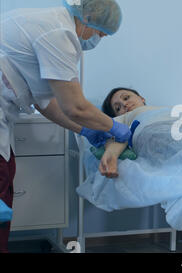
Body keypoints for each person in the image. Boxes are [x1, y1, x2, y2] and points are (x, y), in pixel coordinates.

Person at [0, 0, 131, 253]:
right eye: (100, 33)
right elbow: (75, 107)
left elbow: (45, 102)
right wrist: (115, 127)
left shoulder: (46, 23)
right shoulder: (58, 33)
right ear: (88, 17)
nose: (97, 39)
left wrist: (84, 129)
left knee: (7, 174)